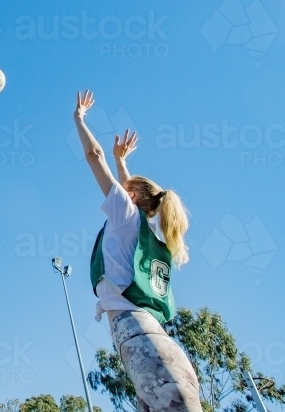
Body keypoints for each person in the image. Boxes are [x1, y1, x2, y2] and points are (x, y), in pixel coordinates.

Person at [73, 90, 202, 412]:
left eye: (124, 189)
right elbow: (131, 195)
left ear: (129, 197)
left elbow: (93, 156)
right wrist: (123, 163)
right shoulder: (150, 231)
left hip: (139, 334)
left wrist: (79, 119)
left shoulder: (127, 218)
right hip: (149, 333)